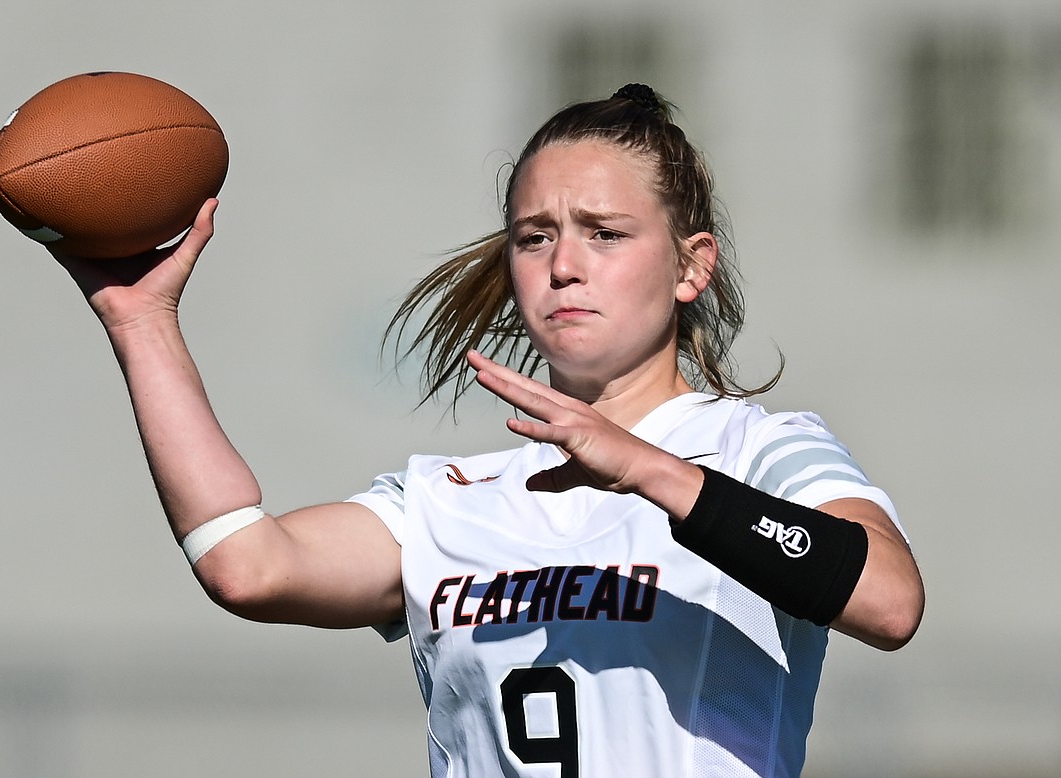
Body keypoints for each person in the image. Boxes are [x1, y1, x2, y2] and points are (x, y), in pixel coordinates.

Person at [55, 83, 924, 778]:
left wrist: (649, 469)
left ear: (692, 265)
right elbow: (247, 565)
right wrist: (143, 325)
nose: (565, 264)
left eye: (606, 233)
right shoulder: (447, 502)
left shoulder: (758, 451)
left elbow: (889, 601)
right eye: (534, 236)